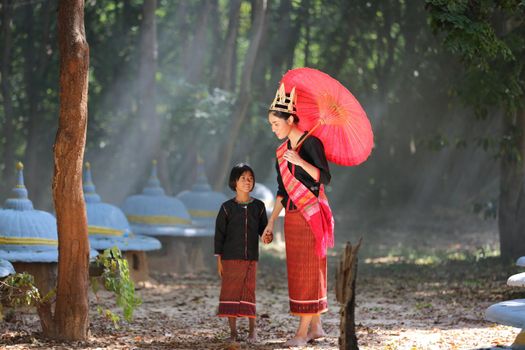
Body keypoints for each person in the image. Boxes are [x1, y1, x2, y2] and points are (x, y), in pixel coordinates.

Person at [264, 83, 334, 347]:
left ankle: (302, 332)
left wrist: (301, 161)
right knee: (299, 272)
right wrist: (271, 222)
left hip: (311, 214)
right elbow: (282, 191)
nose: (273, 128)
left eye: (275, 123)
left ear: (290, 119)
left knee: (310, 270)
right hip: (292, 217)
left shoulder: (311, 143)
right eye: (271, 124)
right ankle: (316, 326)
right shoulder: (281, 153)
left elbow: (324, 177)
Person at [214, 163, 273, 343]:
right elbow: (219, 236)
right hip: (230, 258)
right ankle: (233, 333)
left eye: (250, 179)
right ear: (235, 182)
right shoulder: (226, 208)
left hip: (250, 258)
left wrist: (267, 237)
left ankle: (252, 332)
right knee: (230, 293)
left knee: (249, 292)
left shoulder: (259, 207)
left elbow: (263, 232)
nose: (247, 182)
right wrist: (219, 261)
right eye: (243, 179)